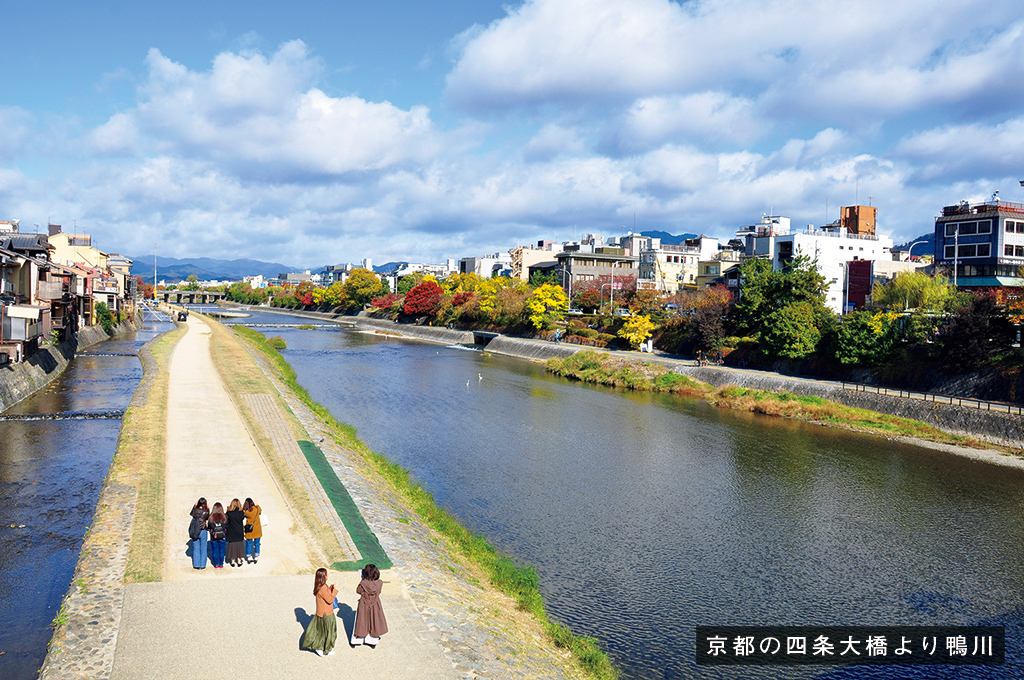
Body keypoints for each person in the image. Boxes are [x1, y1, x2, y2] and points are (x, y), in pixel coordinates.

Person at [301, 568, 338, 657]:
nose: (328, 576)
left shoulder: (320, 586)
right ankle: (326, 649)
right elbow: (329, 599)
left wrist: (331, 587)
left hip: (321, 612)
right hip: (327, 613)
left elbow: (326, 594)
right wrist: (336, 590)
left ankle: (324, 648)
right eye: (326, 574)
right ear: (323, 577)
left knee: (322, 631)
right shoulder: (322, 588)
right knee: (330, 631)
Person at [351, 563, 388, 646]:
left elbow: (358, 591)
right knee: (374, 621)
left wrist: (362, 579)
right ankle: (372, 641)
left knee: (362, 621)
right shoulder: (380, 583)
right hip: (375, 603)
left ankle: (358, 640)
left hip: (364, 603)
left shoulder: (363, 583)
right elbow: (378, 592)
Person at [190, 497, 210, 570]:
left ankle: (196, 564)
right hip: (203, 530)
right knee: (203, 548)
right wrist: (208, 508)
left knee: (196, 547)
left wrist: (194, 506)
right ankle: (202, 565)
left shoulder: (195, 510)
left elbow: (191, 514)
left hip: (195, 530)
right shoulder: (205, 511)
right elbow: (208, 518)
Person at [226, 498, 246, 568]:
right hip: (239, 531)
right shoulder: (241, 513)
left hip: (231, 531)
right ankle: (239, 561)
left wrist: (228, 507)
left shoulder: (229, 513)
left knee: (232, 546)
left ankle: (233, 561)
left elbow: (226, 519)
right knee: (239, 546)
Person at [208, 502, 228, 569]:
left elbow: (209, 526)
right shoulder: (224, 517)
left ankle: (216, 564)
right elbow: (226, 526)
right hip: (222, 536)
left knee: (214, 551)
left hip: (214, 536)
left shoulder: (211, 517)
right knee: (222, 551)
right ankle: (221, 564)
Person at [243, 497, 262, 564]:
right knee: (257, 543)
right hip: (257, 529)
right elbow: (260, 512)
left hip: (249, 530)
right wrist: (257, 504)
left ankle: (249, 557)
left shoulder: (246, 511)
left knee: (249, 543)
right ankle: (256, 556)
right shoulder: (256, 509)